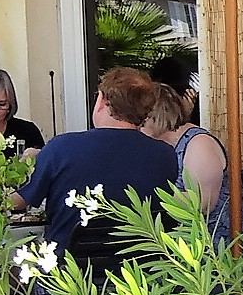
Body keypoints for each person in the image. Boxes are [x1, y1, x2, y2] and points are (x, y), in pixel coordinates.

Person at [12, 67, 179, 254]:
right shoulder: (165, 155)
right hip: (140, 266)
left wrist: (24, 167)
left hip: (69, 267)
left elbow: (17, 202)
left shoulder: (62, 148)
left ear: (101, 100)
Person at [143, 79, 229, 238]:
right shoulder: (160, 146)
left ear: (153, 116)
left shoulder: (198, 143)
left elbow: (204, 203)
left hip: (215, 242)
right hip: (179, 239)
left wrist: (145, 198)